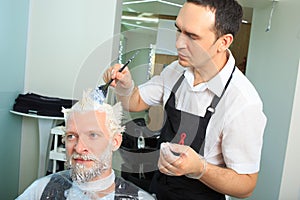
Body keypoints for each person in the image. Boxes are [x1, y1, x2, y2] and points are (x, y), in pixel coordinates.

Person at [103, 0, 267, 199]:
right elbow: (134, 102)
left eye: (192, 36)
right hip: (159, 189)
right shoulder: (175, 71)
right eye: (178, 30)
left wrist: (200, 168)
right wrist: (126, 86)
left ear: (223, 42)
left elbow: (247, 184)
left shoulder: (242, 102)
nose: (179, 43)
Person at [16, 89, 156, 200]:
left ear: (115, 142)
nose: (78, 147)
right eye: (71, 136)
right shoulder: (41, 190)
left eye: (93, 135)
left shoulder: (139, 198)